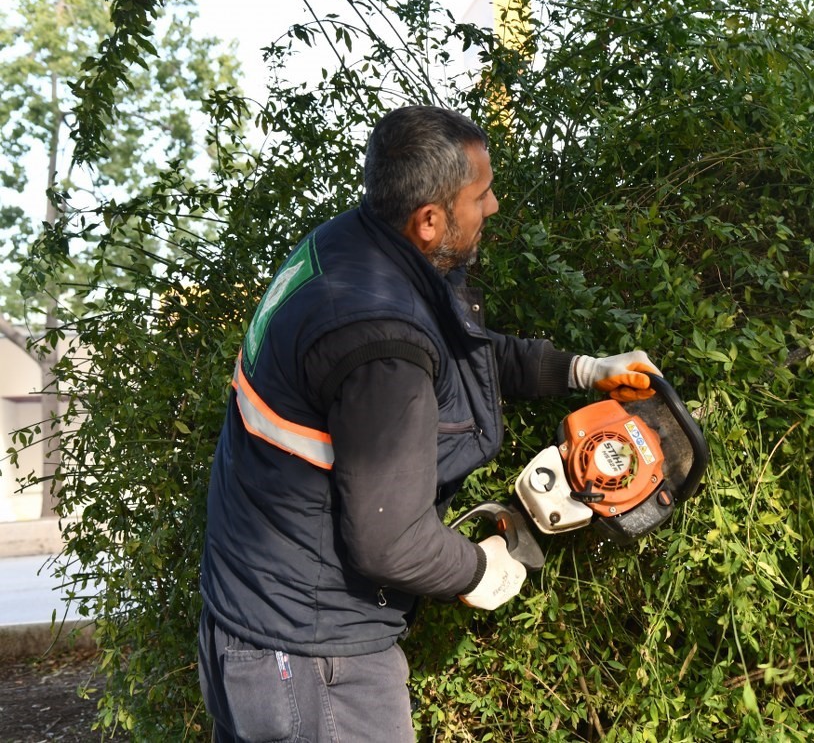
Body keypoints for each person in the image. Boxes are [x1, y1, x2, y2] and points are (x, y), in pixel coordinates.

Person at [197, 105, 659, 742]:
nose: (493, 206)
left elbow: (456, 355)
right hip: (312, 656)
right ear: (430, 219)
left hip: (250, 615)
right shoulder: (381, 345)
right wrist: (481, 569)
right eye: (481, 194)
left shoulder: (353, 248)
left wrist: (579, 371)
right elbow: (390, 541)